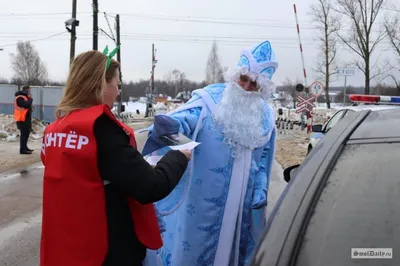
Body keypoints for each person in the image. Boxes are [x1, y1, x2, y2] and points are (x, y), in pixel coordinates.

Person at [39, 46, 191, 266]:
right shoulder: (100, 129)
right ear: (101, 84)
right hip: (107, 251)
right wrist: (178, 156)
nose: (118, 91)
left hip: (68, 247)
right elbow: (151, 186)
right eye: (116, 84)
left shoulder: (56, 129)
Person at [142, 40, 278, 266]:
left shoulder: (265, 117)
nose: (246, 88)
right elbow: (186, 122)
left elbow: (262, 161)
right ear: (235, 76)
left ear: (262, 89)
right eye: (243, 80)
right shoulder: (210, 99)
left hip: (240, 210)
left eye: (254, 84)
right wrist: (172, 126)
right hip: (202, 204)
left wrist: (260, 189)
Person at [14, 85, 34, 154]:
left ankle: (25, 147)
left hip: (26, 118)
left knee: (27, 134)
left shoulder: (25, 97)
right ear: (25, 90)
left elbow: (27, 106)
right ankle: (22, 150)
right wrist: (31, 99)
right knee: (23, 134)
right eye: (29, 90)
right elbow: (25, 105)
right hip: (21, 119)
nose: (30, 92)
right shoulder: (20, 97)